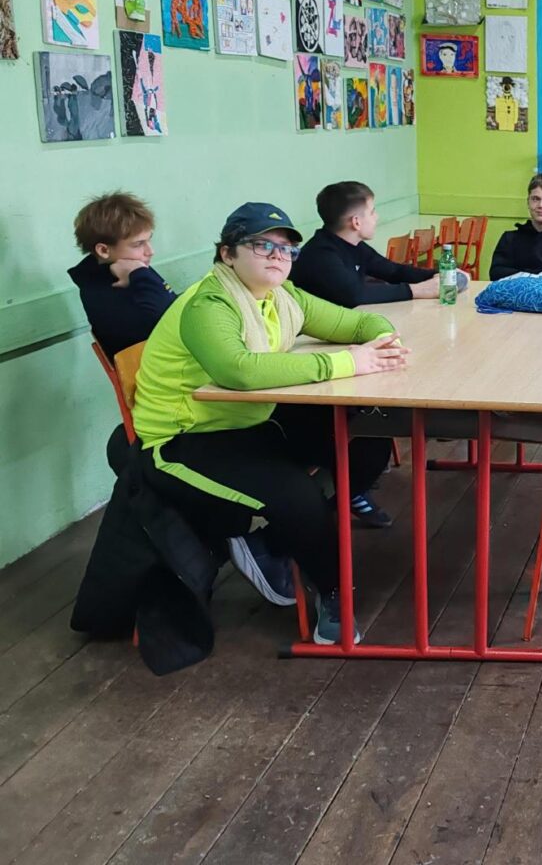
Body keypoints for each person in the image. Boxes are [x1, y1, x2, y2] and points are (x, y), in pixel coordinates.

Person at [130, 203, 409, 644]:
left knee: (368, 441)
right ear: (227, 254)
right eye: (263, 245)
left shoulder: (284, 296)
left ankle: (278, 543)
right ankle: (331, 592)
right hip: (188, 436)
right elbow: (238, 371)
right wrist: (346, 362)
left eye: (287, 249)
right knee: (298, 497)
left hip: (252, 419)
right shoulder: (209, 303)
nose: (279, 256)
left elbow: (356, 321)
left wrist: (383, 339)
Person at [290, 181, 440, 307]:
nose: (376, 217)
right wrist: (417, 290)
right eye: (372, 212)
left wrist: (439, 275)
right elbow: (355, 295)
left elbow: (393, 271)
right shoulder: (321, 255)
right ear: (356, 222)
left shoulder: (353, 245)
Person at [69, 192, 177, 360]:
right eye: (138, 244)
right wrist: (140, 274)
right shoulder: (100, 292)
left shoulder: (131, 268)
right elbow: (175, 321)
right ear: (103, 250)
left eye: (149, 240)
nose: (150, 251)